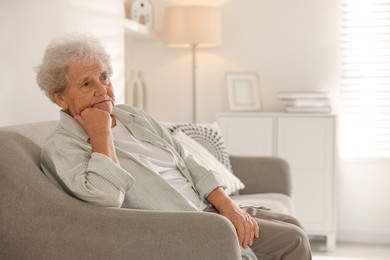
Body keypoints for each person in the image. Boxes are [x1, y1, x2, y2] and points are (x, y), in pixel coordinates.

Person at [36, 34, 312, 260]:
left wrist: (228, 205)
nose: (102, 89)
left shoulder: (131, 115)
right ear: (59, 98)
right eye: (87, 83)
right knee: (294, 241)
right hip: (183, 223)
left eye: (104, 77)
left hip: (206, 206)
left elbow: (185, 157)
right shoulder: (61, 146)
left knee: (293, 225)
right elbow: (106, 198)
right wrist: (100, 134)